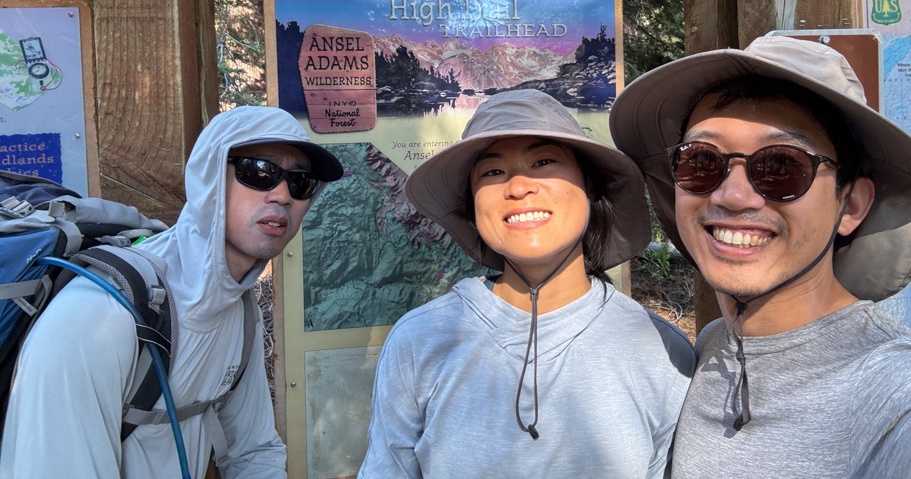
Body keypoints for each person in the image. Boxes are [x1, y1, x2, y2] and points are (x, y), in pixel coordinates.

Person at [610, 36, 911, 477]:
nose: (732, 195)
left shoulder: (890, 397)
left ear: (850, 205)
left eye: (782, 166)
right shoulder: (714, 343)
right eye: (701, 161)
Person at [359, 89, 696, 478]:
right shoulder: (419, 341)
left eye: (544, 161)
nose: (518, 187)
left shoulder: (661, 351)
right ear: (472, 205)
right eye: (492, 172)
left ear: (590, 187)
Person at [0, 106, 343, 478]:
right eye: (259, 172)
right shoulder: (99, 315)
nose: (282, 195)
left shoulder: (240, 311)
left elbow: (254, 450)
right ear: (208, 176)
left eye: (301, 182)